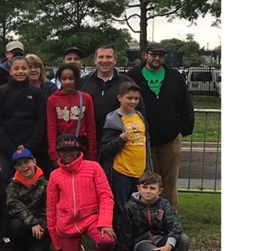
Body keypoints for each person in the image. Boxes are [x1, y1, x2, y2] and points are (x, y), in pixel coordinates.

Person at [126, 42, 194, 209]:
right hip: (142, 137)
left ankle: (170, 214)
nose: (157, 58)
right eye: (153, 54)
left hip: (170, 137)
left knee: (169, 180)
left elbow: (185, 103)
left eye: (161, 55)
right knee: (146, 179)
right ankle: (146, 215)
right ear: (145, 55)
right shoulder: (133, 75)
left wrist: (184, 128)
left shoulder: (174, 76)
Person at [46, 134, 115, 251]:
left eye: (72, 149)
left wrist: (105, 222)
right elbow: (51, 210)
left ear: (78, 150)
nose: (68, 154)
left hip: (91, 218)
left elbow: (106, 196)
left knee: (107, 240)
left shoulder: (94, 167)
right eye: (63, 150)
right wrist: (56, 243)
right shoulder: (54, 175)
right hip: (66, 223)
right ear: (58, 152)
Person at [119, 172, 190, 251]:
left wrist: (168, 245)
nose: (148, 191)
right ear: (138, 188)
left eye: (152, 188)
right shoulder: (129, 207)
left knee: (183, 239)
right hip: (141, 242)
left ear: (159, 190)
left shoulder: (164, 204)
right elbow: (125, 234)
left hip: (161, 238)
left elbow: (175, 226)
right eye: (144, 187)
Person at [99, 81, 152, 234]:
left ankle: (134, 237)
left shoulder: (140, 117)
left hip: (139, 171)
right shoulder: (113, 119)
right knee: (120, 207)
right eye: (129, 98)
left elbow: (146, 143)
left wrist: (149, 167)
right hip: (121, 172)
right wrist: (120, 140)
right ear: (120, 98)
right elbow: (105, 149)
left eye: (136, 98)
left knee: (137, 207)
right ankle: (119, 240)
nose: (133, 101)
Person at [0, 55, 47, 180]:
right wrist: (12, 148)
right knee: (4, 181)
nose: (20, 71)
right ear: (10, 71)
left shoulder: (36, 93)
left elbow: (41, 122)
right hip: (6, 149)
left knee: (34, 182)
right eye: (16, 68)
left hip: (31, 148)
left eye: (23, 68)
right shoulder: (1, 92)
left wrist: (28, 146)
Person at [79, 44, 143, 152]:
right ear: (95, 60)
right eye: (101, 57)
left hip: (119, 142)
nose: (104, 60)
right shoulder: (82, 83)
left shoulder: (127, 83)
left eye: (108, 57)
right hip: (88, 142)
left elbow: (139, 111)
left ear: (115, 60)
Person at [47, 64, 97, 169]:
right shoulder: (52, 99)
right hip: (61, 149)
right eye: (64, 79)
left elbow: (91, 127)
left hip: (80, 148)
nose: (67, 82)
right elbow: (51, 128)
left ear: (76, 79)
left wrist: (92, 153)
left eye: (71, 78)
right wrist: (53, 154)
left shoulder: (85, 98)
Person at [5, 148, 50, 251]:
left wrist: (41, 226)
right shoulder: (12, 185)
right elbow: (13, 205)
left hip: (41, 225)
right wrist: (32, 223)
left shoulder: (46, 184)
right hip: (24, 224)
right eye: (19, 164)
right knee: (15, 224)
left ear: (34, 162)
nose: (24, 166)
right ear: (15, 168)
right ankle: (20, 249)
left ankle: (34, 246)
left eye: (26, 162)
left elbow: (49, 208)